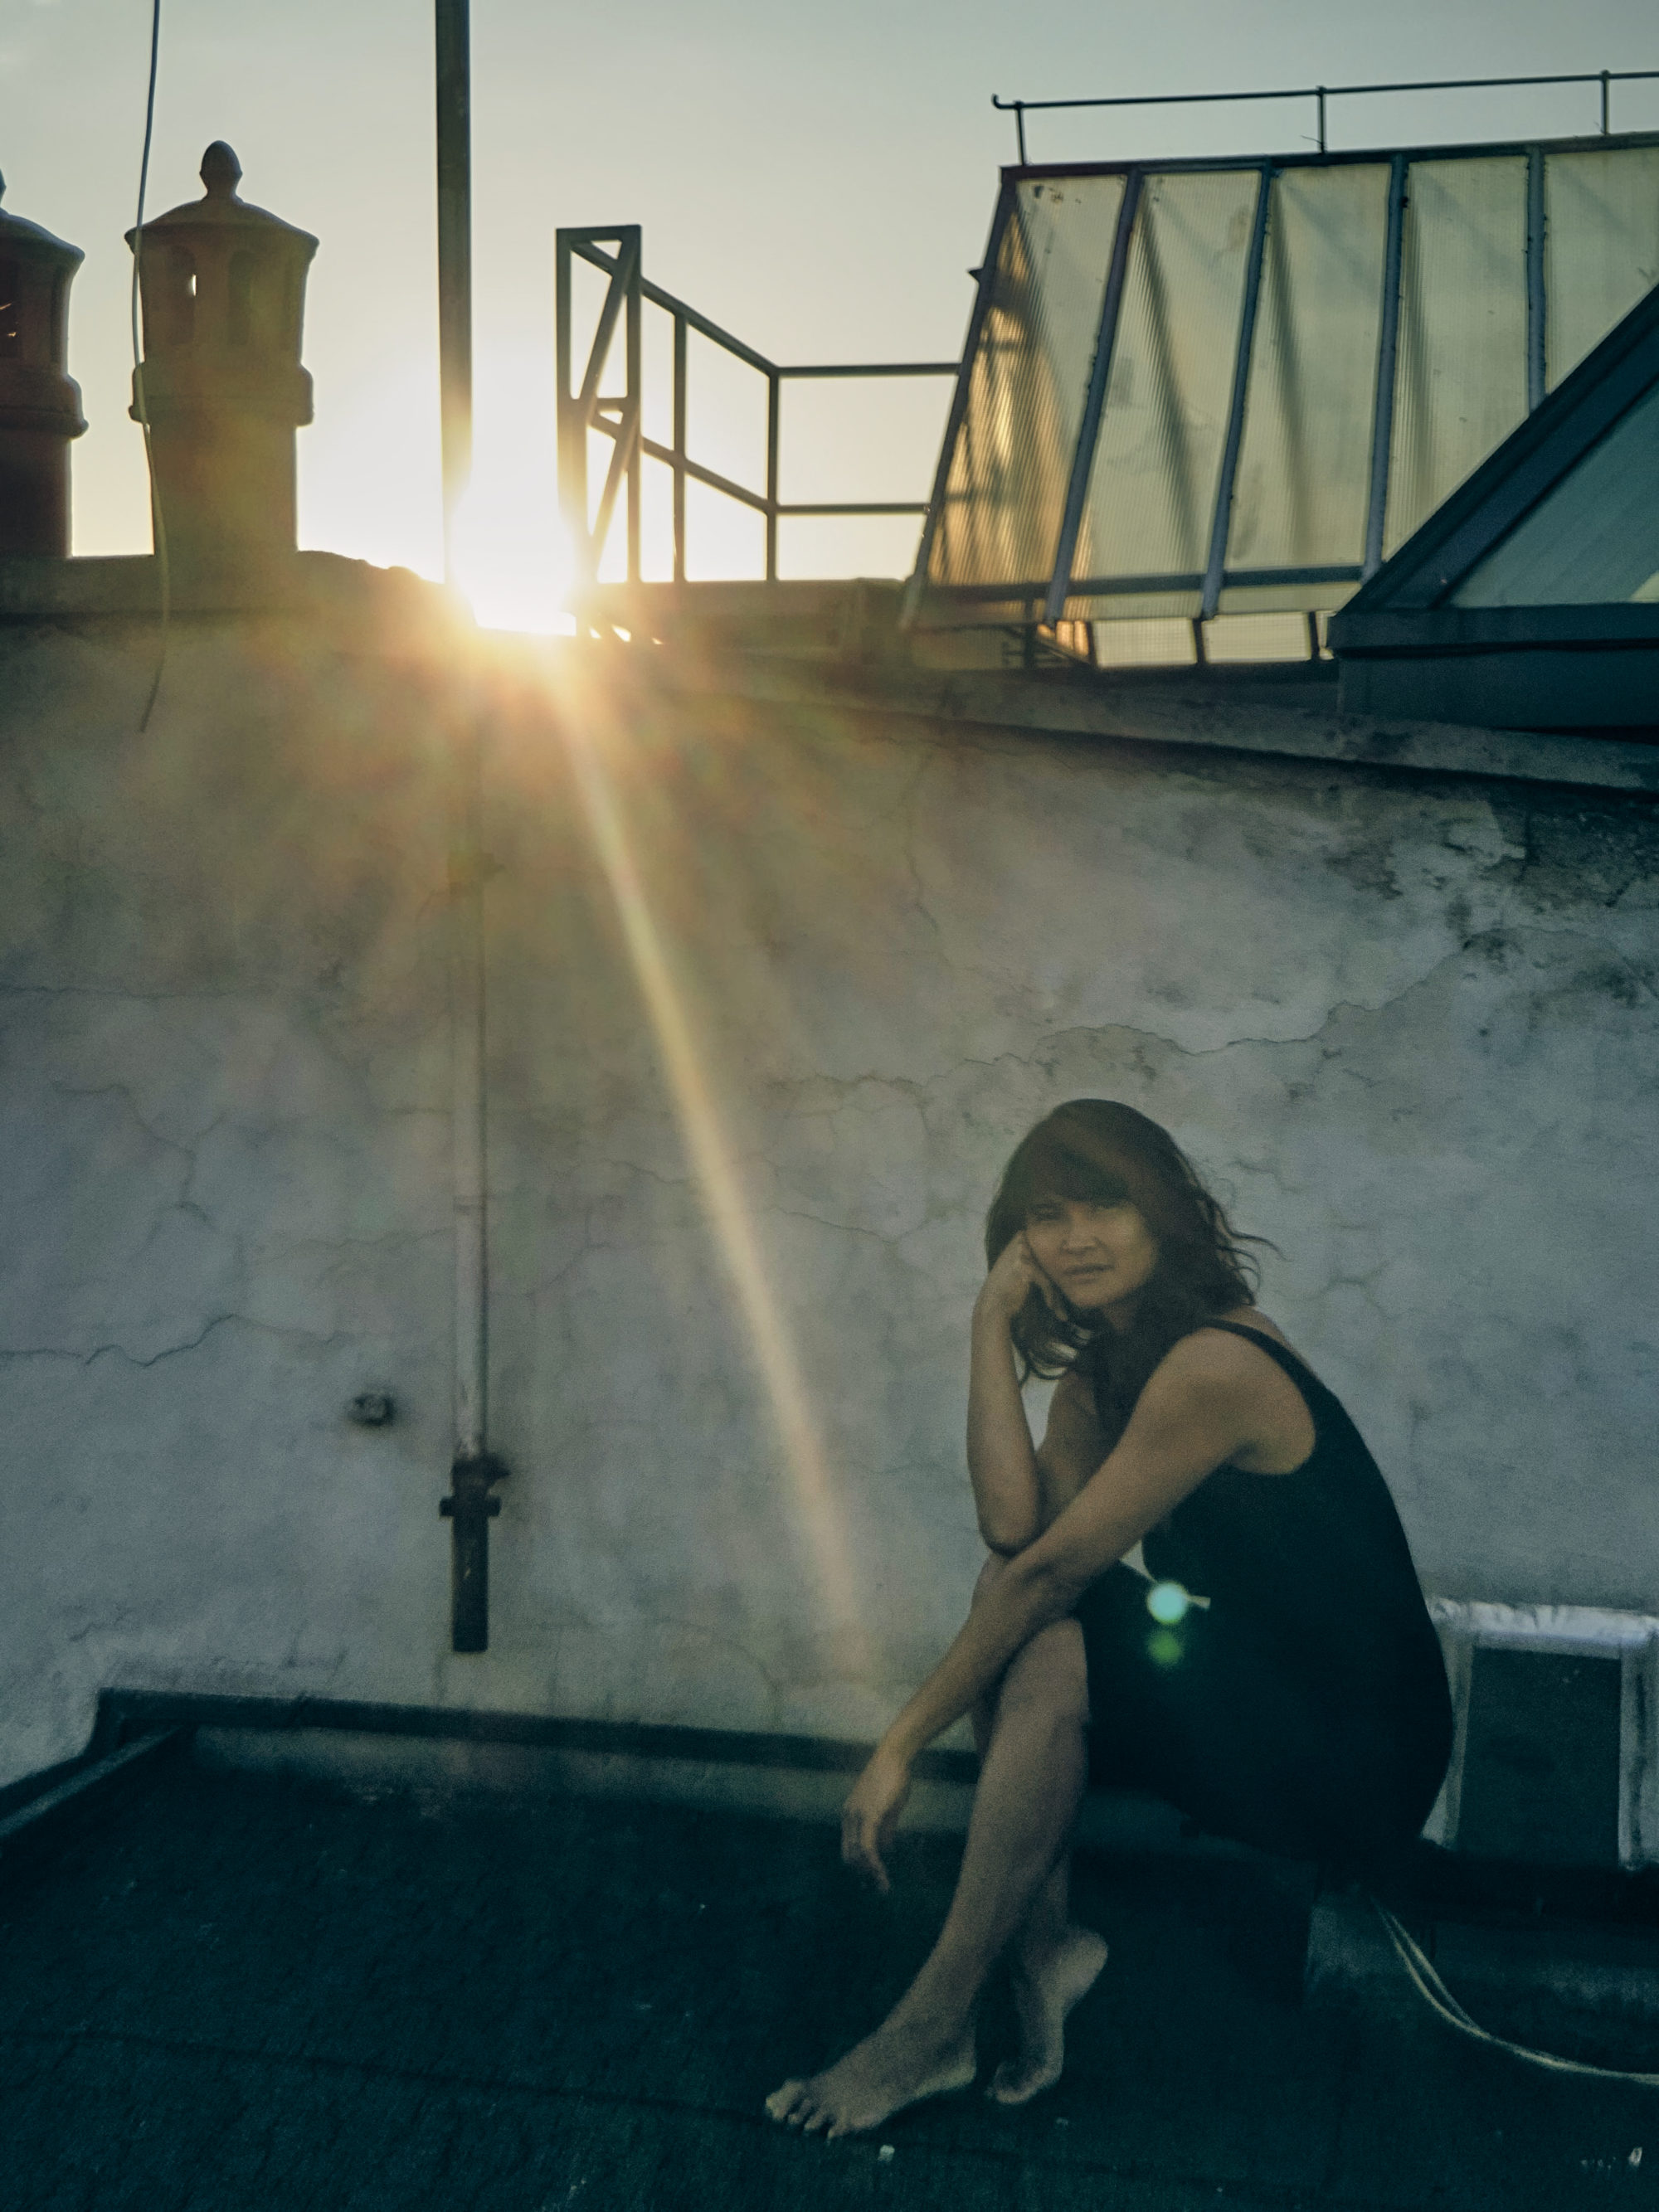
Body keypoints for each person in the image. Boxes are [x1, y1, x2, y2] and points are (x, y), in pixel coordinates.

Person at [766, 1098, 1452, 2139]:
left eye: (1105, 1206)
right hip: (1260, 1691)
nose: (1075, 1237)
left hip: (1357, 1751)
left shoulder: (1214, 1367)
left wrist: (898, 1744)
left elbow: (1047, 1575)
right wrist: (986, 1325)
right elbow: (1013, 1531)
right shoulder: (1104, 1376)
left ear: (1162, 1214)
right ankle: (1040, 1949)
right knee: (1022, 1613)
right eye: (1047, 1215)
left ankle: (930, 2029)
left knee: (1045, 1636)